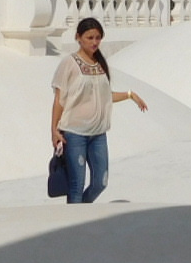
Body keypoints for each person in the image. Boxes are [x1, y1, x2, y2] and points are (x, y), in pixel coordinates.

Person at [50, 17, 146, 203]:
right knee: (76, 185)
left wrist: (130, 95)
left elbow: (104, 96)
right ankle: (76, 218)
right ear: (78, 37)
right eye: (90, 38)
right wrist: (54, 130)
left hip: (98, 134)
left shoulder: (100, 64)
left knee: (100, 182)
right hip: (75, 134)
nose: (94, 42)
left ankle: (83, 211)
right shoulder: (69, 63)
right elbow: (59, 100)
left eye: (98, 38)